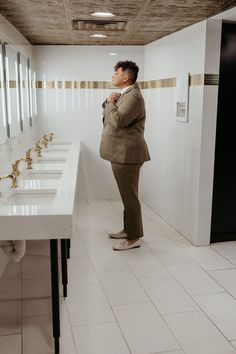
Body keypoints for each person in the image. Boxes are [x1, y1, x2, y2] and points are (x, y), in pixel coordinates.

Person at [100, 60, 150, 251]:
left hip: (127, 154)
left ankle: (134, 238)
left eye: (116, 72)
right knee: (127, 195)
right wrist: (108, 102)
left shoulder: (134, 97)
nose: (113, 76)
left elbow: (118, 121)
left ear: (126, 76)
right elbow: (110, 118)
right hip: (122, 152)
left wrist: (109, 102)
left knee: (130, 197)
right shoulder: (125, 94)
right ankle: (129, 229)